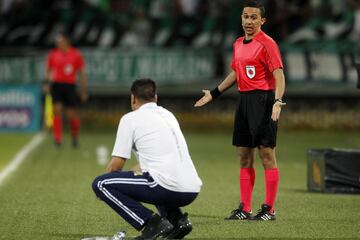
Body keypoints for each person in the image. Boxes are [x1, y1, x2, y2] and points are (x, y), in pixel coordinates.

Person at [194, 0, 286, 221]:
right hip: (244, 102)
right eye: (245, 16)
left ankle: (269, 209)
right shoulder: (237, 43)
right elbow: (236, 73)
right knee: (244, 157)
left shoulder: (268, 43)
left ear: (262, 21)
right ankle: (245, 208)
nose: (248, 21)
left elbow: (279, 75)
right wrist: (214, 93)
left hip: (263, 101)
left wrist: (277, 101)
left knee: (266, 156)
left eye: (254, 17)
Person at [92, 79, 202, 239]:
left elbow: (116, 166)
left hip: (167, 187)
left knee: (101, 184)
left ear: (133, 98)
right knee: (153, 175)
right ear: (155, 98)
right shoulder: (168, 115)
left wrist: (110, 188)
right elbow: (153, 163)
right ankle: (177, 221)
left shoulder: (130, 119)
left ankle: (152, 223)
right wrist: (128, 180)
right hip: (192, 188)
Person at [44, 32, 88, 147]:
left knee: (71, 114)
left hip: (70, 86)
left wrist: (84, 90)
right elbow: (49, 70)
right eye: (58, 42)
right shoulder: (53, 54)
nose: (59, 44)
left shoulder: (76, 54)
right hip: (57, 85)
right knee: (57, 110)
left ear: (66, 42)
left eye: (61, 42)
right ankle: (57, 139)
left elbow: (81, 73)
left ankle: (74, 136)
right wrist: (46, 83)